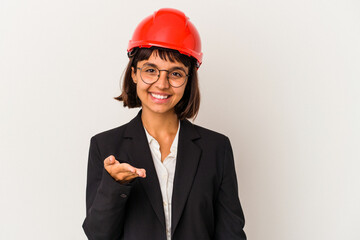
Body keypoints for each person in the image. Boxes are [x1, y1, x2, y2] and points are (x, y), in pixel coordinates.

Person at [82, 8, 246, 240]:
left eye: (176, 74)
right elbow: (98, 235)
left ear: (189, 80)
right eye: (150, 70)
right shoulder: (105, 146)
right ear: (134, 74)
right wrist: (115, 186)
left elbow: (231, 233)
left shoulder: (216, 148)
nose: (162, 84)